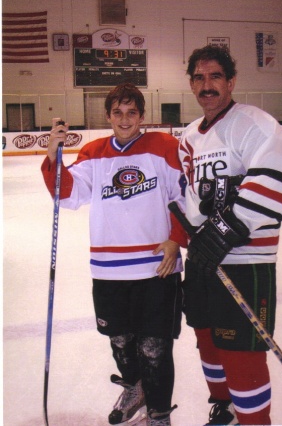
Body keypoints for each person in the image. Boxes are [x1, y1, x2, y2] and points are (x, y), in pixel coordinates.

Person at [41, 83, 187, 426]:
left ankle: (159, 414)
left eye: (131, 112)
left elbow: (185, 195)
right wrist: (52, 157)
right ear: (108, 116)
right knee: (120, 342)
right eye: (118, 113)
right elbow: (69, 194)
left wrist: (176, 238)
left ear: (142, 116)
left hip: (157, 268)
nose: (124, 119)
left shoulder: (164, 147)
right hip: (108, 269)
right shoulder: (94, 153)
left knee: (155, 348)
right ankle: (136, 387)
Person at [178, 45, 282, 425]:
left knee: (241, 353)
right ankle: (223, 407)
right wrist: (196, 237)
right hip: (204, 262)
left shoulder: (255, 123)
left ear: (231, 81)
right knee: (207, 339)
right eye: (199, 77)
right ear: (191, 83)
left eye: (214, 76)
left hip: (246, 263)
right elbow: (191, 197)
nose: (206, 84)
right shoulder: (190, 136)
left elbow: (276, 186)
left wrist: (224, 231)